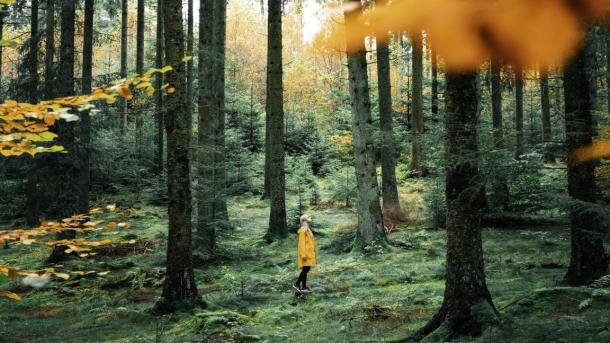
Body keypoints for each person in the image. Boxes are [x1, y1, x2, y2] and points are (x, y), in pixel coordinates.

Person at [293, 214, 317, 293]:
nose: (309, 219)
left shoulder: (307, 229)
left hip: (308, 253)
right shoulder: (303, 230)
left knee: (305, 269)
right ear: (304, 221)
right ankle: (297, 284)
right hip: (305, 254)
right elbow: (301, 243)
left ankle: (304, 287)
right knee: (306, 269)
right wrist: (303, 254)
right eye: (308, 218)